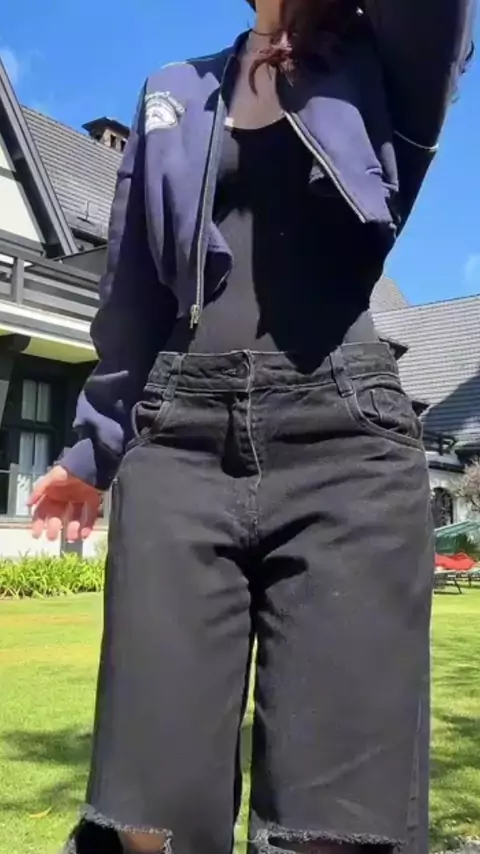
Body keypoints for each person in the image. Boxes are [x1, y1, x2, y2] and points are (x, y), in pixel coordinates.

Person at [29, 1, 475, 853]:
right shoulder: (172, 92)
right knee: (147, 811)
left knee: (335, 823)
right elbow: (134, 290)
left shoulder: (383, 57)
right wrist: (93, 447)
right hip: (180, 442)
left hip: (345, 442)